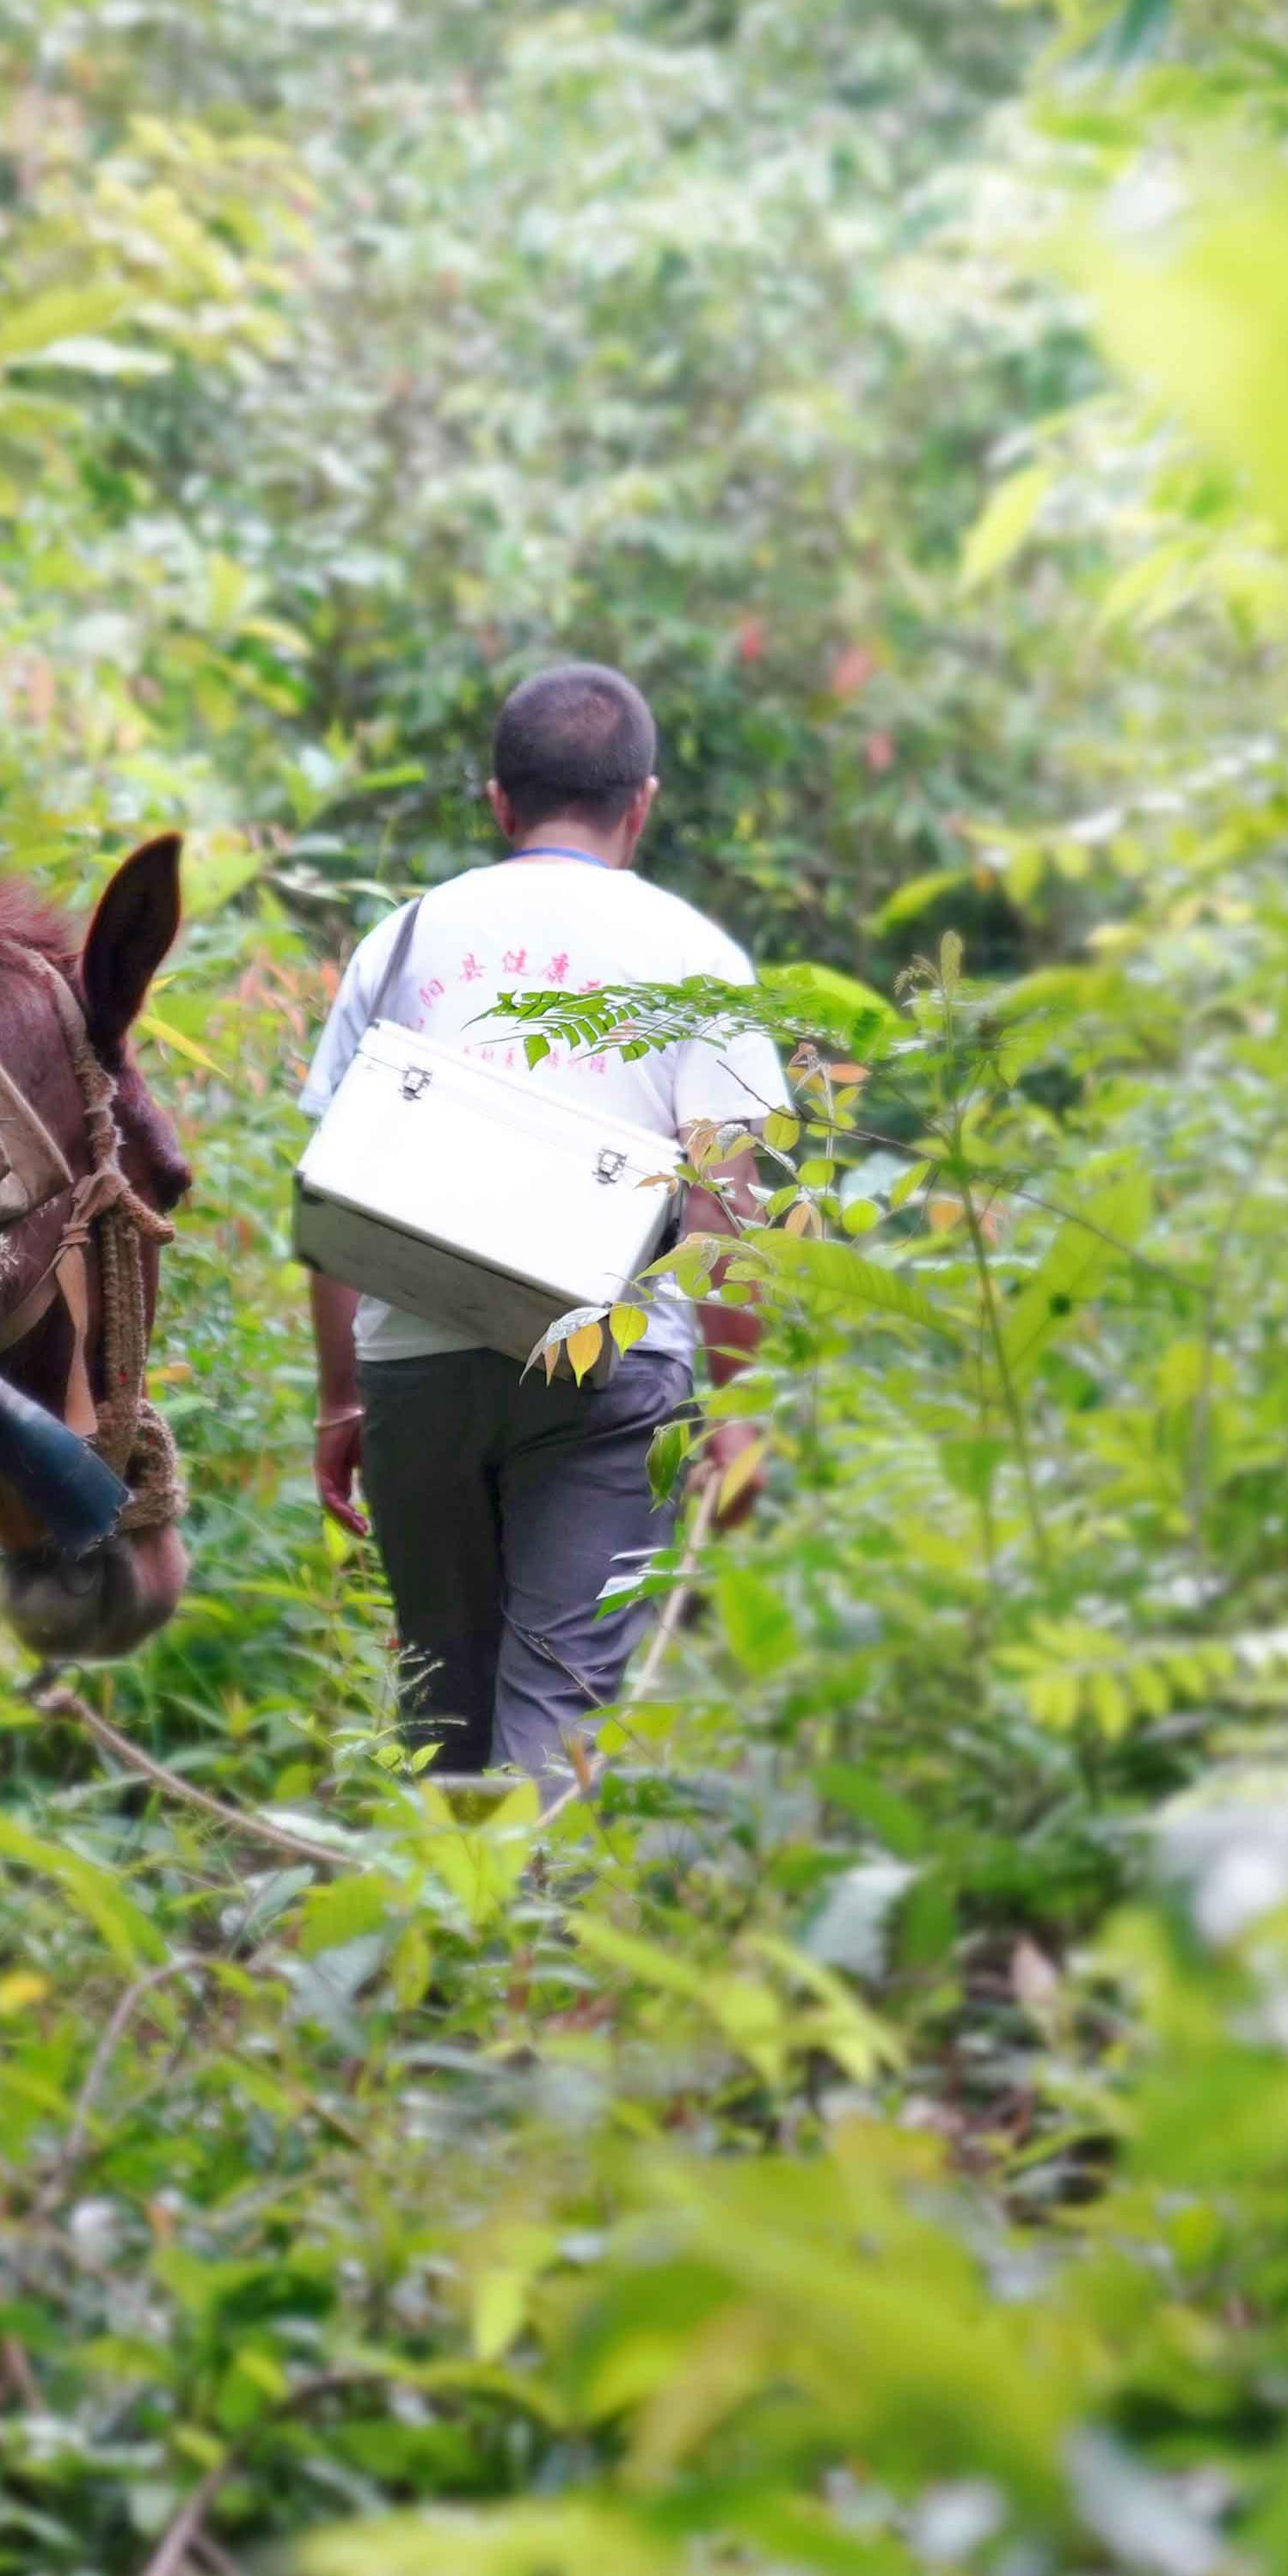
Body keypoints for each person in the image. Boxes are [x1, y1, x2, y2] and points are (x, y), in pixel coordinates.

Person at [298, 663, 779, 1795]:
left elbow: (336, 1189)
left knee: (441, 1712)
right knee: (558, 1704)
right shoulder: (694, 958)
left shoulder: (405, 940)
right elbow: (724, 1207)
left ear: (499, 803)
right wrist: (736, 1410)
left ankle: (452, 1949)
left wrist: (342, 1398)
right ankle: (522, 1957)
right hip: (608, 1368)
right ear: (642, 803)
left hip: (416, 1364)